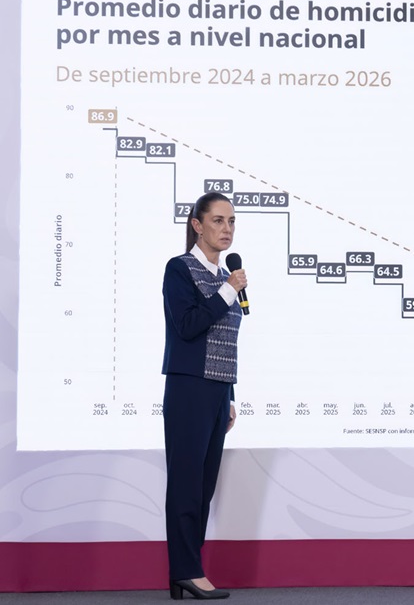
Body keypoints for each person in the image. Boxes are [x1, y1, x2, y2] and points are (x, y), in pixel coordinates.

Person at [161, 192, 246, 600]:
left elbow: (225, 341)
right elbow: (188, 325)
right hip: (189, 387)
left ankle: (187, 570)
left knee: (203, 487)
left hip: (216, 391)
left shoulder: (226, 276)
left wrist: (229, 394)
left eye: (231, 221)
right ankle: (187, 571)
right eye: (217, 220)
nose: (226, 229)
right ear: (197, 225)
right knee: (185, 484)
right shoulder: (180, 269)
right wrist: (228, 290)